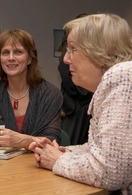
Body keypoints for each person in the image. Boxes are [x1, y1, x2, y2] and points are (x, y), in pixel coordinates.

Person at [29, 13, 132, 193]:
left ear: (98, 50)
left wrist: (56, 160)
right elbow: (103, 150)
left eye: (73, 49)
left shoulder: (122, 76)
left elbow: (110, 173)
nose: (66, 59)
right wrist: (65, 152)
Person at [0, 29, 63, 149]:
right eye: (5, 53)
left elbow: (52, 139)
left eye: (18, 52)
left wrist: (20, 141)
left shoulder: (50, 94)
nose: (11, 58)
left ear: (30, 58)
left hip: (36, 164)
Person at [58, 13, 93, 145]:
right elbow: (65, 72)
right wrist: (84, 92)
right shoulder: (70, 46)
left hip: (83, 101)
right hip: (76, 104)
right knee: (71, 144)